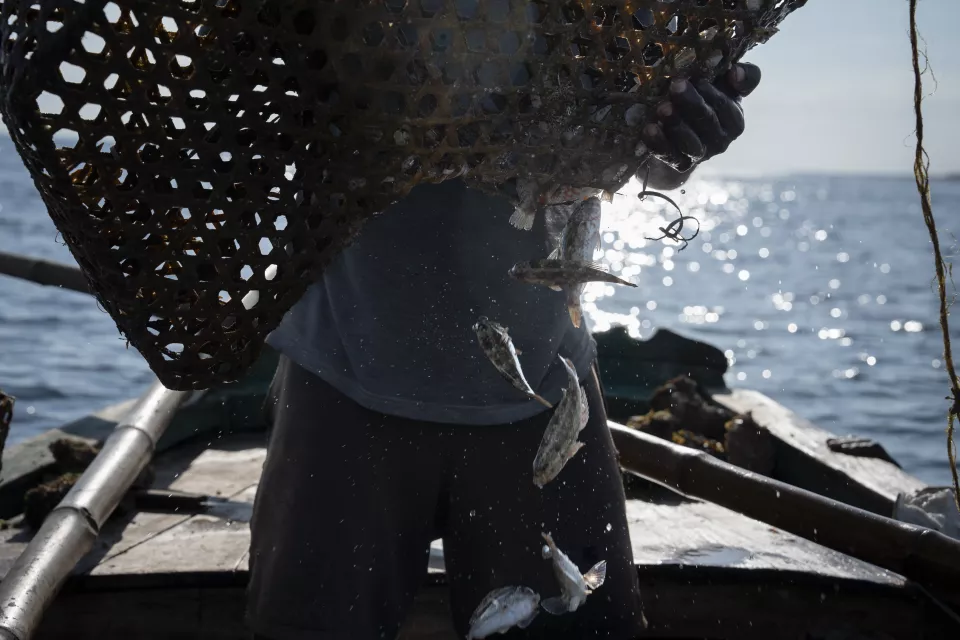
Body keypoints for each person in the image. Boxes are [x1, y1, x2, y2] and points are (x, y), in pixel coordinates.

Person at [246, 62, 762, 640]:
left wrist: (687, 130)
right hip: (342, 377)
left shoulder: (612, 20)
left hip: (542, 390)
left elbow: (653, 161)